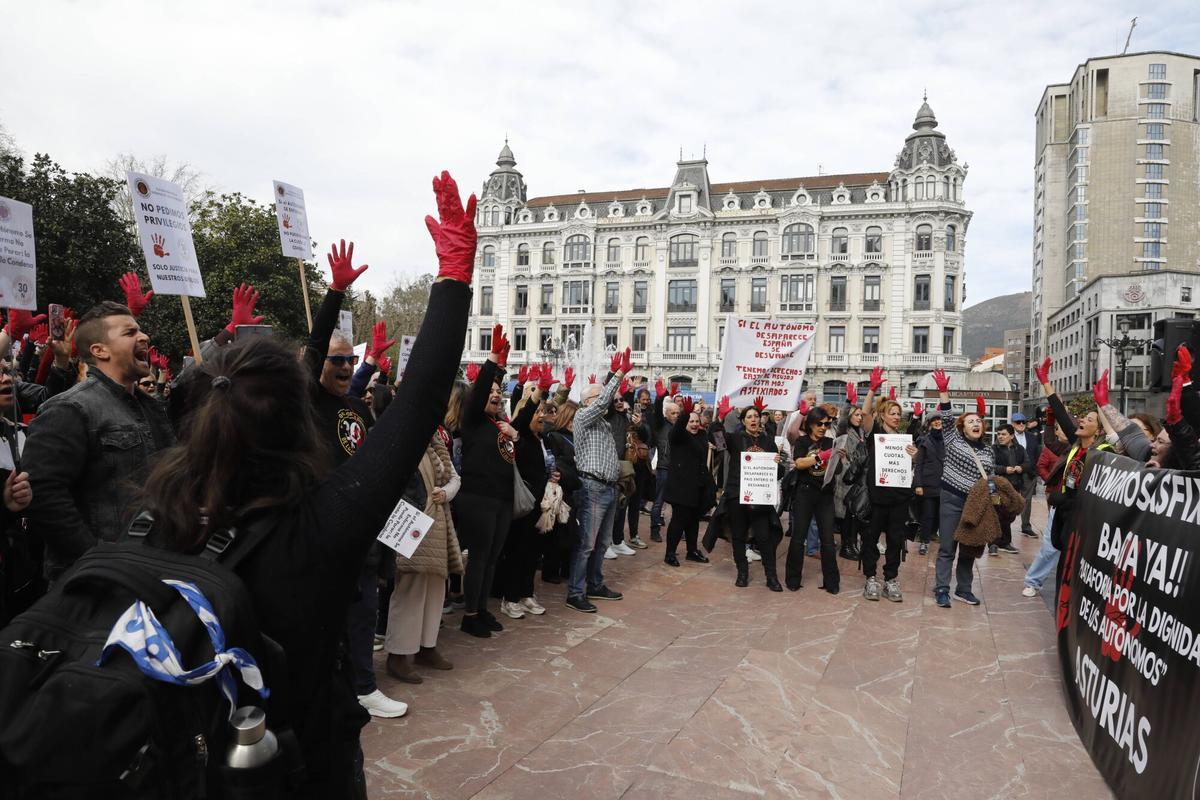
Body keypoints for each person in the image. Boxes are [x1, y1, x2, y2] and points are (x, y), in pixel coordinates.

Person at [125, 170, 474, 799]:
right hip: (295, 765)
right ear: (298, 418)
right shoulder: (320, 528)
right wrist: (453, 275)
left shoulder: (151, 516)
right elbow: (421, 401)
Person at [23, 300, 175, 582]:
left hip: (154, 569)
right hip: (95, 584)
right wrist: (98, 558)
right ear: (99, 350)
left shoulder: (154, 409)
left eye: (140, 330)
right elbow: (43, 495)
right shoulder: (69, 409)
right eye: (130, 333)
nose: (144, 337)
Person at [384, 431, 464, 684]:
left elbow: (455, 478)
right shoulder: (401, 437)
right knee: (411, 588)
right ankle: (398, 654)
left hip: (438, 521)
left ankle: (426, 647)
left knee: (435, 588)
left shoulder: (436, 442)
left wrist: (446, 492)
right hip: (411, 522)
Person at [455, 324, 516, 637]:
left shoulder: (497, 423)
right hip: (478, 498)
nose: (495, 395)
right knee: (479, 559)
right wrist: (492, 360)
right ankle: (470, 615)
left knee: (492, 558)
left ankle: (482, 609)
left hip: (501, 499)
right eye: (490, 393)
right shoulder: (473, 420)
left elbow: (494, 389)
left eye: (498, 393)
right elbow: (480, 390)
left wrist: (500, 370)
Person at [564, 350, 632, 612]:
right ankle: (575, 592)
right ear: (588, 402)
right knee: (587, 544)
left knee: (602, 543)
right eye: (599, 397)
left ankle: (594, 584)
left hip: (608, 488)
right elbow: (604, 401)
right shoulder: (583, 417)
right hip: (592, 487)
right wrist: (617, 375)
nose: (606, 401)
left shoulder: (604, 424)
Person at [931, 369, 994, 608]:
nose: (976, 424)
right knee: (947, 548)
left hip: (974, 506)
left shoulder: (988, 450)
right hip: (951, 500)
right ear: (963, 428)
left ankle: (964, 590)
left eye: (978, 421)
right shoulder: (953, 439)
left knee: (969, 549)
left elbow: (990, 476)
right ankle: (942, 589)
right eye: (970, 422)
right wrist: (944, 391)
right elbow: (947, 418)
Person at [498, 367, 558, 620]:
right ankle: (510, 598)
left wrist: (553, 476)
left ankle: (526, 594)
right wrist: (537, 390)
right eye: (538, 412)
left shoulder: (542, 439)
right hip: (522, 503)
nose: (542, 416)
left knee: (533, 552)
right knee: (517, 552)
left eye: (543, 412)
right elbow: (522, 420)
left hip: (540, 505)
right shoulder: (518, 435)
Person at [857, 368, 917, 602]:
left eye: (898, 414)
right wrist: (872, 389)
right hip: (877, 498)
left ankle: (891, 578)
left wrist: (914, 456)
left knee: (895, 540)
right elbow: (864, 413)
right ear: (882, 416)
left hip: (900, 498)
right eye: (892, 413)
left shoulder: (904, 440)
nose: (896, 417)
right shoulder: (876, 434)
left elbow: (911, 465)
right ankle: (870, 577)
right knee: (870, 539)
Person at [725, 399, 784, 591]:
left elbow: (779, 473)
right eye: (749, 416)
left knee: (764, 537)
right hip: (737, 494)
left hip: (760, 497)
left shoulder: (768, 442)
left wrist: (777, 464)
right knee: (738, 535)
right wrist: (720, 418)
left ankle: (771, 576)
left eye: (756, 416)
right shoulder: (735, 439)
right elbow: (716, 439)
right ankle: (742, 573)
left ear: (761, 419)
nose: (753, 419)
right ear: (743, 421)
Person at [784, 407, 839, 593]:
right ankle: (793, 580)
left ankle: (832, 583)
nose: (823, 427)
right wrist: (821, 456)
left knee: (828, 540)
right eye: (819, 424)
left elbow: (837, 470)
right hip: (805, 493)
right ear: (810, 425)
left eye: (826, 424)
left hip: (825, 495)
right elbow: (799, 463)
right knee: (798, 538)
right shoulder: (802, 441)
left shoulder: (831, 442)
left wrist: (838, 458)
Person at [662, 396, 713, 566]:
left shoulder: (702, 435)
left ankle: (692, 551)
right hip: (681, 487)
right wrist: (685, 414)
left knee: (693, 521)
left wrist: (720, 417)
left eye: (697, 421)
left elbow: (718, 440)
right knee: (679, 520)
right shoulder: (678, 436)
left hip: (698, 486)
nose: (694, 424)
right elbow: (677, 429)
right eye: (691, 421)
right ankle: (670, 553)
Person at [542, 401, 580, 584]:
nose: (574, 422)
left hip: (572, 488)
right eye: (572, 418)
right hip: (560, 489)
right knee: (556, 532)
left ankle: (565, 568)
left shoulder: (576, 437)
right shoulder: (554, 436)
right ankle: (551, 571)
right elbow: (553, 462)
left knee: (569, 530)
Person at [648, 379, 678, 542]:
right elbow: (656, 414)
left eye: (678, 413)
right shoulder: (661, 425)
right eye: (673, 413)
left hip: (678, 469)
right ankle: (655, 529)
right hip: (664, 468)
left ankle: (679, 530)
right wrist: (660, 398)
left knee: (678, 503)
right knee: (659, 501)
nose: (676, 416)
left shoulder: (680, 426)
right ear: (666, 414)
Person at [990, 424, 1027, 555]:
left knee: (1008, 515)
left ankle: (1005, 542)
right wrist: (1004, 469)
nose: (1000, 437)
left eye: (1003, 434)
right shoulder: (993, 449)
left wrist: (1021, 468)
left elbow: (1028, 463)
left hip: (1013, 488)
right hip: (996, 488)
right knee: (996, 514)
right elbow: (989, 466)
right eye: (998, 434)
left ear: (1011, 436)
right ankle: (993, 544)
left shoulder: (1019, 449)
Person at [912, 411, 943, 557]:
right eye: (934, 420)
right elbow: (919, 464)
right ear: (929, 424)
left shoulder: (949, 440)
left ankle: (935, 536)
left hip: (945, 484)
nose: (937, 422)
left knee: (941, 515)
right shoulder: (924, 441)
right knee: (928, 514)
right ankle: (924, 541)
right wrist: (918, 484)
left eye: (939, 420)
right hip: (928, 483)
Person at [1010, 412, 1042, 536]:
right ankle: (1004, 527)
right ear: (1013, 424)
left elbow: (1037, 454)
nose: (1021, 424)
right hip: (1012, 474)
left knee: (1027, 501)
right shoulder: (1007, 437)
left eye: (1023, 422)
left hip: (1029, 474)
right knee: (1010, 500)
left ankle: (1026, 526)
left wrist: (1035, 471)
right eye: (1018, 422)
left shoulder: (1032, 437)